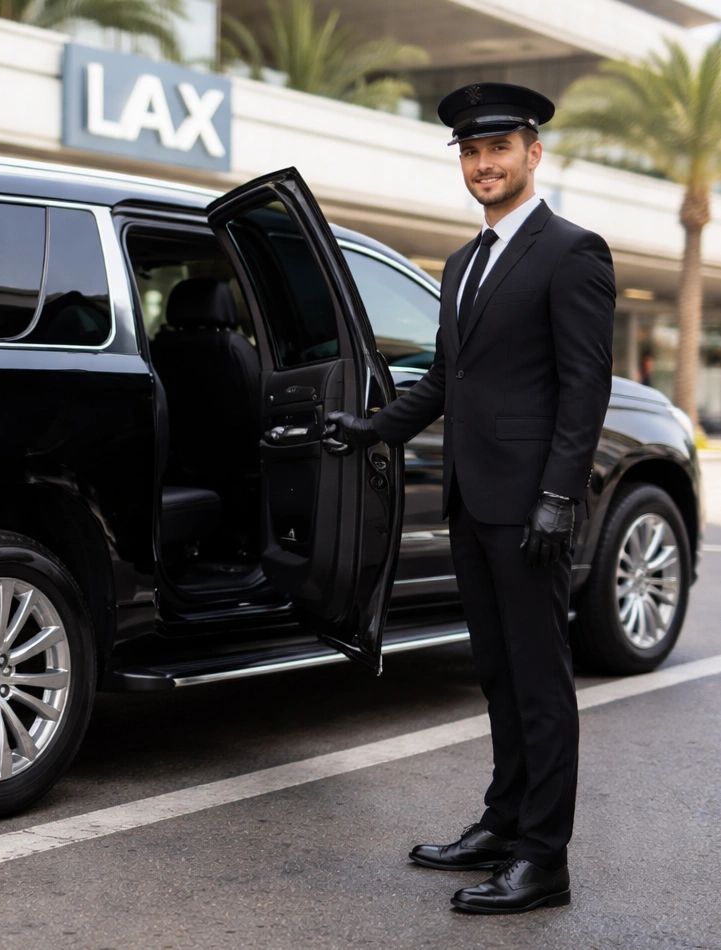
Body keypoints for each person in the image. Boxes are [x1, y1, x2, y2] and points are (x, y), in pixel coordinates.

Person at [327, 82, 615, 914]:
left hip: (529, 508)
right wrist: (372, 429)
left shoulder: (572, 251)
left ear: (533, 153)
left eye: (498, 149)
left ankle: (543, 859)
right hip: (472, 499)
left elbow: (583, 387)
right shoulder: (460, 263)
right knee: (496, 672)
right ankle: (501, 823)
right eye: (470, 151)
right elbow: (446, 381)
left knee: (539, 683)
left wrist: (557, 496)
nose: (483, 164)